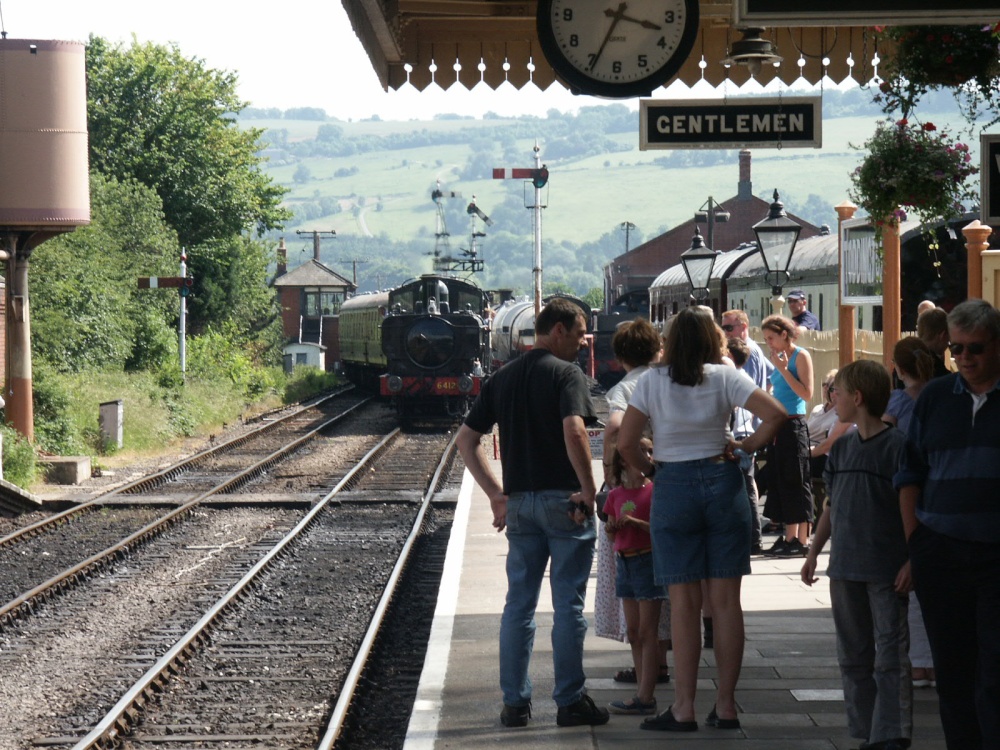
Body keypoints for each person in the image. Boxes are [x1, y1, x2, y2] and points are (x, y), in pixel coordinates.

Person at [618, 305, 787, 733]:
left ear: (670, 342)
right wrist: (745, 446)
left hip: (673, 485)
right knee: (726, 602)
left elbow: (626, 442)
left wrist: (652, 470)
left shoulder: (651, 381)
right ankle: (726, 707)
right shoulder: (726, 376)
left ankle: (684, 708)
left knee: (684, 603)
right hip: (722, 481)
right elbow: (776, 414)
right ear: (714, 339)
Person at [455, 297, 609, 729]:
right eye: (578, 334)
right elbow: (574, 430)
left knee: (518, 606)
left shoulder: (502, 378)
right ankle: (570, 701)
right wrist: (588, 489)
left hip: (520, 505)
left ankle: (515, 704)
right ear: (557, 330)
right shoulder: (567, 374)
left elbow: (466, 440)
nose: (582, 343)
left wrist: (496, 495)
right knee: (568, 607)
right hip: (565, 505)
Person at [894, 298, 1000, 750]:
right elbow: (909, 474)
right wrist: (917, 544)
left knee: (994, 671)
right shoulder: (936, 398)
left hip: (994, 553)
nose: (964, 358)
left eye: (975, 348)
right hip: (941, 550)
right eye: (956, 349)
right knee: (953, 672)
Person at [802, 360, 912, 750]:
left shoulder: (898, 447)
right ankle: (867, 732)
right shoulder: (843, 447)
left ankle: (892, 733)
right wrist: (814, 552)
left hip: (885, 569)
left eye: (838, 393)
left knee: (890, 655)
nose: (833, 399)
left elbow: (910, 507)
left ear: (858, 397)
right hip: (845, 567)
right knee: (852, 655)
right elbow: (832, 505)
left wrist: (911, 559)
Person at [596, 318, 671, 684]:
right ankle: (660, 663)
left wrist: (613, 472)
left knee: (630, 580)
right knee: (661, 588)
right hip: (666, 482)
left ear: (621, 356)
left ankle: (644, 668)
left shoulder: (625, 387)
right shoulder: (666, 380)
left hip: (633, 484)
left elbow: (614, 427)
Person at [882, 335, 937, 691]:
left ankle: (919, 664)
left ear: (898, 369)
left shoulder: (899, 400)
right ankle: (936, 661)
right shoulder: (942, 395)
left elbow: (882, 434)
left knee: (911, 584)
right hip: (940, 491)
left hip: (907, 492)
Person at [604, 439, 666, 716]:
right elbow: (610, 533)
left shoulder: (655, 490)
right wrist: (612, 528)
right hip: (625, 563)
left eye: (651, 451)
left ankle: (646, 695)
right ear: (624, 459)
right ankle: (642, 689)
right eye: (643, 451)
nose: (648, 456)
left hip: (647, 561)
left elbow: (661, 529)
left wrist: (635, 523)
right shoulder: (615, 495)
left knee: (647, 632)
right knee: (633, 632)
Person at [760, 315, 815, 557]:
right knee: (781, 481)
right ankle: (789, 536)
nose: (768, 343)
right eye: (766, 339)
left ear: (784, 334)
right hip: (779, 425)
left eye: (771, 338)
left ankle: (801, 540)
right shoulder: (779, 358)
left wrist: (783, 369)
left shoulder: (800, 356)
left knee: (796, 480)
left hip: (794, 424)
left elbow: (806, 393)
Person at [722, 309, 775, 554]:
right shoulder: (755, 353)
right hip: (748, 429)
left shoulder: (748, 354)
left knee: (744, 486)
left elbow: (748, 395)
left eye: (728, 328)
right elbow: (770, 378)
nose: (725, 333)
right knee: (746, 484)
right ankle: (752, 537)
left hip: (742, 433)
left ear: (743, 327)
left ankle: (752, 538)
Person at [807, 369, 853, 521]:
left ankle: (800, 518)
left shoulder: (847, 413)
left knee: (792, 465)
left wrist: (804, 453)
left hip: (837, 463)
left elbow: (827, 445)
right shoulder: (820, 409)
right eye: (829, 388)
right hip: (826, 456)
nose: (831, 392)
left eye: (835, 389)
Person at [916, 307, 951, 379]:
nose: (948, 344)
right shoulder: (938, 369)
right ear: (943, 335)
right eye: (948, 338)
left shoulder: (905, 358)